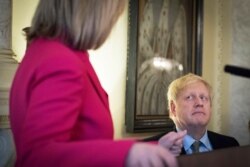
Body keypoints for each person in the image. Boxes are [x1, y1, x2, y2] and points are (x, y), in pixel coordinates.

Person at [9, 0, 186, 167]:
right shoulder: (60, 60)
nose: (110, 26)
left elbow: (83, 143)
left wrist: (154, 148)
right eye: (112, 15)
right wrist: (128, 153)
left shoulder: (43, 51)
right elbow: (37, 157)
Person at [144, 73, 239, 155]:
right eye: (189, 97)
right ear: (173, 108)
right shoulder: (148, 150)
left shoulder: (230, 145)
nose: (199, 103)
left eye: (203, 98)